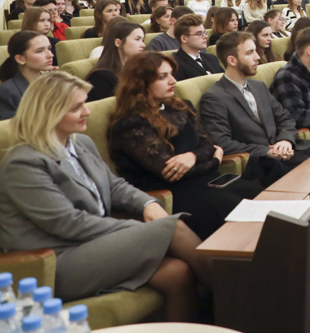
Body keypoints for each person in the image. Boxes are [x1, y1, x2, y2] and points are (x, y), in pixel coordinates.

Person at [0, 71, 213, 320]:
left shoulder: (79, 142)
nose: (87, 111)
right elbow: (69, 224)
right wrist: (137, 229)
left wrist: (147, 203)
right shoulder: (24, 163)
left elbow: (114, 186)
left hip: (93, 244)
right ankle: (237, 299)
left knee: (177, 273)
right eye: (77, 107)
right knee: (173, 227)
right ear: (49, 112)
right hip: (54, 261)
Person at [108, 52, 261, 240]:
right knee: (230, 207)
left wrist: (193, 156)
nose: (173, 81)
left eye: (172, 74)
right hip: (171, 194)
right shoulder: (131, 124)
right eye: (163, 77)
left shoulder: (180, 106)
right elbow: (171, 173)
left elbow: (209, 142)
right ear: (141, 83)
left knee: (255, 193)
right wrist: (214, 159)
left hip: (206, 180)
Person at [198, 32, 310, 187]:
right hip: (260, 164)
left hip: (287, 152)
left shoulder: (259, 86)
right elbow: (222, 142)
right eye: (250, 53)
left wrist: (285, 140)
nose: (257, 57)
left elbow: (285, 117)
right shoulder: (214, 97)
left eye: (255, 51)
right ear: (232, 60)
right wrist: (268, 151)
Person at [0, 31, 55, 120]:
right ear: (20, 59)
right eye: (40, 51)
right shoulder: (8, 92)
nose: (50, 55)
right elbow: (10, 130)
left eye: (49, 48)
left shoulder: (53, 82)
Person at [85, 22, 146, 102]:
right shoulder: (100, 77)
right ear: (118, 42)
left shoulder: (139, 69)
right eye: (137, 39)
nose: (143, 45)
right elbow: (103, 110)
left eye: (143, 40)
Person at [172, 14, 224, 81]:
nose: (205, 36)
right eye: (199, 34)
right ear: (184, 38)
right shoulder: (175, 64)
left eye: (204, 32)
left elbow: (225, 82)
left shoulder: (211, 58)